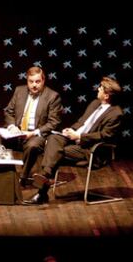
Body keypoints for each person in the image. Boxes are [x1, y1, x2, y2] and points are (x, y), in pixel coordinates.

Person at [24, 76, 123, 205]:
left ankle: (42, 190)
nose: (98, 89)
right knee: (54, 138)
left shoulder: (116, 113)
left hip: (90, 149)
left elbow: (105, 136)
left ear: (107, 95)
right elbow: (81, 122)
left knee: (56, 152)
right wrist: (71, 130)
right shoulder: (95, 104)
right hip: (75, 140)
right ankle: (46, 175)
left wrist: (80, 137)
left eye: (101, 88)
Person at [0, 66, 62, 186]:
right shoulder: (19, 91)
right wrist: (12, 126)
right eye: (31, 81)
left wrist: (33, 133)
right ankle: (5, 172)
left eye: (37, 81)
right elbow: (8, 111)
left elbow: (53, 122)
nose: (34, 85)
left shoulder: (52, 96)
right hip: (17, 132)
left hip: (35, 135)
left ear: (43, 81)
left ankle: (22, 177)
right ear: (27, 81)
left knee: (32, 146)